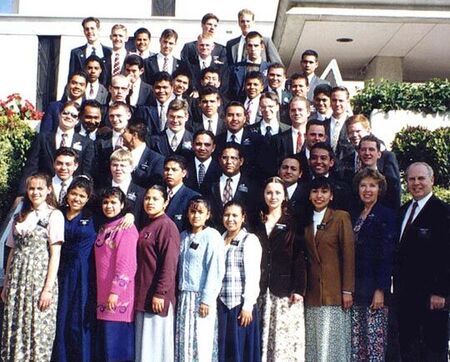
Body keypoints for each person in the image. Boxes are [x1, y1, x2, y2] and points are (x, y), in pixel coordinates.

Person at [1, 173, 64, 361]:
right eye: (31, 188)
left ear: (48, 190)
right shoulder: (20, 215)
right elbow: (12, 250)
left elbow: (55, 254)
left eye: (39, 188)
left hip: (39, 279)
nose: (35, 192)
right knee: (15, 323)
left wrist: (48, 289)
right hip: (17, 279)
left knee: (36, 325)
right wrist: (6, 283)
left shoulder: (54, 215)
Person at [395, 162, 449, 361]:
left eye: (421, 178)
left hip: (432, 299)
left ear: (432, 180)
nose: (416, 183)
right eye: (411, 179)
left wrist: (440, 292)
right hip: (405, 297)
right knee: (409, 350)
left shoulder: (443, 212)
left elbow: (446, 255)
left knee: (433, 351)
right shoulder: (402, 211)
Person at [253, 177, 307, 361]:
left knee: (283, 343)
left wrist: (299, 289)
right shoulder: (256, 222)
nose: (273, 196)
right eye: (269, 192)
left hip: (284, 291)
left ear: (284, 196)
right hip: (261, 289)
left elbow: (300, 257)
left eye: (277, 192)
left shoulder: (293, 223)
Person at [303, 176, 354, 362]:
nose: (319, 196)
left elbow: (348, 255)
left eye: (324, 192)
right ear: (309, 195)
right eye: (315, 191)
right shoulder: (305, 220)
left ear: (331, 196)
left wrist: (347, 290)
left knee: (332, 346)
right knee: (314, 345)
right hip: (312, 294)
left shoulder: (340, 217)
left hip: (334, 293)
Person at [350, 168, 396, 361]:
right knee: (357, 343)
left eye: (372, 185)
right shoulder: (356, 214)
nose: (367, 190)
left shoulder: (386, 215)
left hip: (374, 290)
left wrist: (380, 289)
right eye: (363, 185)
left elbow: (387, 255)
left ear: (380, 189)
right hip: (357, 288)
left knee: (374, 344)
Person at [52, 176, 97, 362]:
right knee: (60, 318)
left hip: (83, 275)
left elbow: (119, 211)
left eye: (82, 196)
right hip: (60, 271)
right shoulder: (57, 214)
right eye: (73, 194)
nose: (77, 199)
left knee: (79, 320)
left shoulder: (93, 216)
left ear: (88, 199)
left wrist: (129, 214)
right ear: (67, 194)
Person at [175, 197, 225, 361]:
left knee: (201, 340)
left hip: (201, 297)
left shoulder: (212, 236)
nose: (196, 216)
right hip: (184, 297)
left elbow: (215, 270)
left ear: (208, 215)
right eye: (193, 211)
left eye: (200, 212)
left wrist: (207, 299)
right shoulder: (183, 236)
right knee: (185, 341)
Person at [135, 185, 180, 362]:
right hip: (142, 295)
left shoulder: (167, 226)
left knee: (156, 349)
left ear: (166, 201)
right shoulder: (148, 225)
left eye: (155, 199)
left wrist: (160, 293)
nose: (150, 202)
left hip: (157, 298)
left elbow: (169, 264)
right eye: (147, 198)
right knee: (144, 348)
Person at [95, 187, 139, 362]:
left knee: (117, 350)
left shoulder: (126, 228)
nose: (109, 206)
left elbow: (126, 264)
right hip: (101, 297)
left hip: (118, 299)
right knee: (104, 350)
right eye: (106, 202)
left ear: (122, 205)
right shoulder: (104, 227)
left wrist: (115, 292)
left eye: (113, 202)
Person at [19, 100, 95, 194]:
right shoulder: (43, 138)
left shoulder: (87, 143)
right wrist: (21, 194)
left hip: (73, 194)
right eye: (65, 113)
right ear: (59, 115)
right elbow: (31, 168)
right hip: (45, 192)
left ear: (77, 120)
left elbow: (86, 173)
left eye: (73, 115)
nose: (69, 117)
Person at [218, 201, 262, 362]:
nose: (230, 219)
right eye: (227, 215)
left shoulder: (249, 240)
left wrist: (247, 306)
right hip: (222, 305)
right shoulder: (219, 239)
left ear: (243, 217)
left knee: (240, 352)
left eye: (235, 215)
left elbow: (253, 275)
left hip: (240, 307)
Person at [68, 17, 112, 86]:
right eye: (87, 29)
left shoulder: (109, 52)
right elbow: (71, 78)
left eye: (92, 28)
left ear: (98, 29)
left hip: (104, 93)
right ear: (84, 31)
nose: (90, 31)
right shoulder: (76, 53)